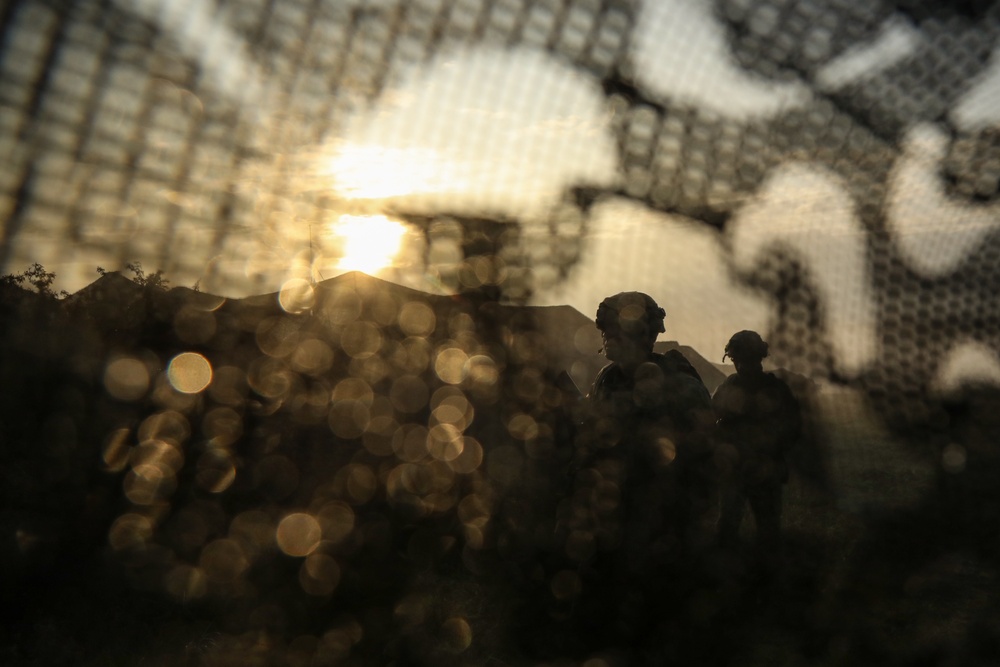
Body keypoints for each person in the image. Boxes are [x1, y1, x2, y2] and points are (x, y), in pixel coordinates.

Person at [561, 292, 715, 646]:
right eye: (605, 330)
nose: (607, 338)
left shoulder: (681, 387)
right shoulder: (607, 379)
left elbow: (702, 459)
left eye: (616, 330)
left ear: (643, 335)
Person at [712, 330, 801, 562]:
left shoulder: (774, 389)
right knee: (731, 525)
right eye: (737, 359)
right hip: (741, 468)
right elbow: (711, 420)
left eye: (745, 359)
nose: (741, 364)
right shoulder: (731, 386)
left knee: (766, 528)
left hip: (763, 468)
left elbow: (793, 428)